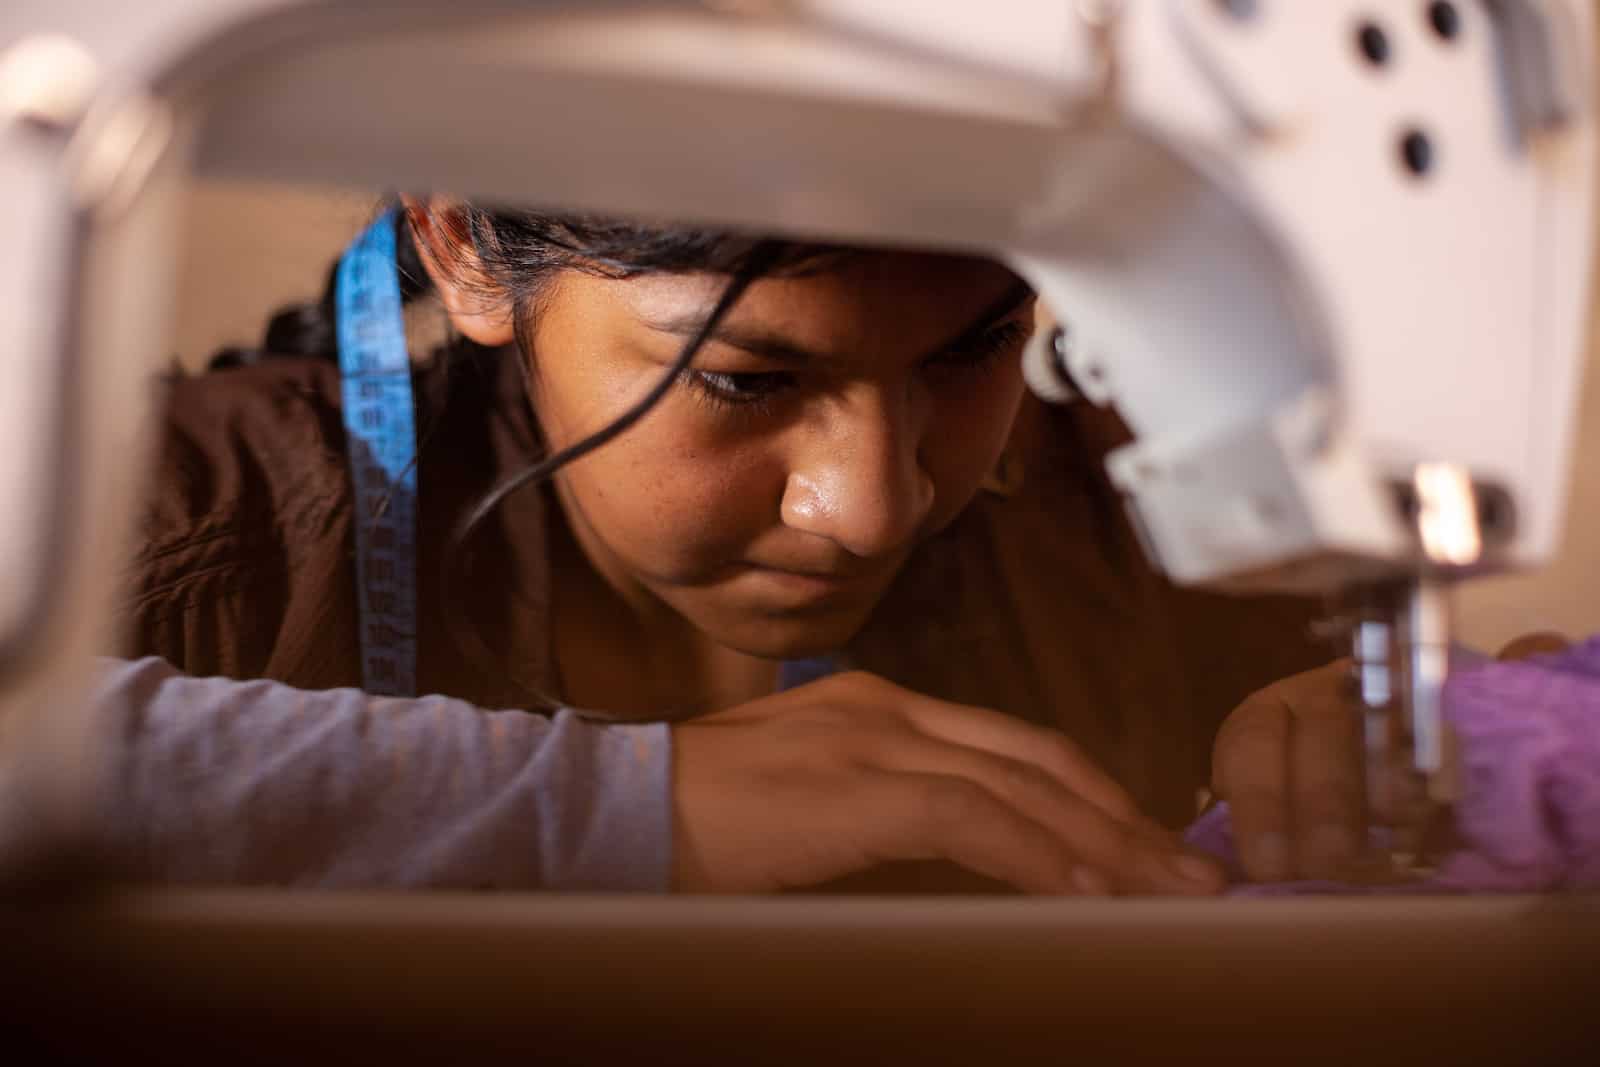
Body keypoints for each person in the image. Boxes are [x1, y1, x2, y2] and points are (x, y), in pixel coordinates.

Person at [108, 197, 1360, 894]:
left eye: (973, 352)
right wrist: (611, 809)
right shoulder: (174, 533)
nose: (873, 507)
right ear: (461, 249)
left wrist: (1476, 738)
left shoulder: (1134, 515)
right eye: (748, 380)